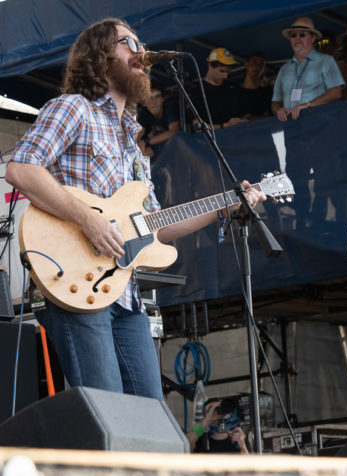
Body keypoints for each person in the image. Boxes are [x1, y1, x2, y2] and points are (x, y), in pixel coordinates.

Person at [6, 18, 265, 400]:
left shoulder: (133, 142)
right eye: (129, 42)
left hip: (126, 294)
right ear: (100, 56)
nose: (141, 50)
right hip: (78, 284)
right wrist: (88, 219)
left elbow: (156, 228)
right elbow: (21, 168)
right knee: (107, 411)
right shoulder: (73, 108)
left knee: (151, 415)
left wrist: (226, 205)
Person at [271, 16, 345, 122]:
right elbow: (275, 102)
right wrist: (279, 110)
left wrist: (308, 105)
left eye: (302, 34)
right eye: (293, 35)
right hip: (291, 128)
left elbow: (336, 92)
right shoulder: (284, 69)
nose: (297, 38)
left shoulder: (326, 60)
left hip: (320, 124)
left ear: (313, 38)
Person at [189, 47, 246, 129]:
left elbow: (246, 115)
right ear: (210, 65)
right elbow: (197, 126)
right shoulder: (197, 92)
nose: (225, 76)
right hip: (211, 140)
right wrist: (224, 126)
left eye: (228, 72)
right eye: (222, 71)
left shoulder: (233, 88)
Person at [136, 82, 179, 160]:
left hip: (176, 155)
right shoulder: (143, 113)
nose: (154, 102)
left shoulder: (169, 107)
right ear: (144, 103)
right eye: (149, 98)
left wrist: (146, 142)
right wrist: (144, 147)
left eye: (157, 97)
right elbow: (135, 138)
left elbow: (174, 132)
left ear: (163, 99)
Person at [239, 51, 273, 120]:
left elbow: (273, 116)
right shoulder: (234, 92)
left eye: (261, 65)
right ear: (246, 64)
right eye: (254, 63)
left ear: (264, 70)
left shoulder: (268, 93)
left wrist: (251, 118)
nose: (257, 67)